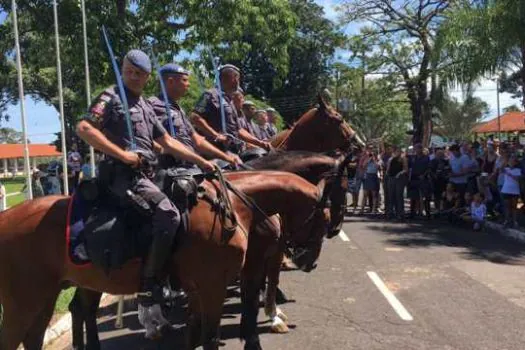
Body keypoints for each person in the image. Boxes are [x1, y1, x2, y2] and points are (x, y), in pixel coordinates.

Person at [76, 49, 215, 328]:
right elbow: (84, 128)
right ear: (123, 69)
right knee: (168, 214)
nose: (134, 77)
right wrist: (123, 154)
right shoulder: (110, 97)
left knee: (186, 199)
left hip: (147, 174)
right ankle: (149, 287)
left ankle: (172, 275)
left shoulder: (145, 105)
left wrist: (201, 160)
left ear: (147, 77)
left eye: (140, 74)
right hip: (121, 177)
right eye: (129, 71)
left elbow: (167, 141)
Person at [148, 63, 240, 168]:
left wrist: (227, 158)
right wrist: (202, 161)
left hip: (190, 166)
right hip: (171, 170)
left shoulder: (179, 109)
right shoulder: (153, 106)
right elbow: (163, 142)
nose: (188, 84)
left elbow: (198, 141)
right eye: (184, 80)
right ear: (170, 81)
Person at [192, 64, 271, 153]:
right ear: (231, 78)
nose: (238, 82)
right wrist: (215, 135)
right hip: (215, 150)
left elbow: (239, 130)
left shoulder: (230, 101)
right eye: (237, 78)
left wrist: (259, 143)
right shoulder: (210, 95)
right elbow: (195, 118)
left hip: (234, 150)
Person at [386, 146, 408, 220]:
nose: (397, 152)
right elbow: (388, 169)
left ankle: (400, 213)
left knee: (399, 195)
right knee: (391, 195)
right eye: (396, 151)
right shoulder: (391, 159)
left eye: (398, 151)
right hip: (391, 178)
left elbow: (406, 169)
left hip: (399, 179)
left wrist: (399, 174)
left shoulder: (403, 159)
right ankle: (390, 212)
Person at [501, 153, 521, 228]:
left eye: (513, 161)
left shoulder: (518, 170)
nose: (511, 162)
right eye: (510, 161)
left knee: (514, 206)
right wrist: (506, 161)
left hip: (515, 190)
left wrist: (510, 175)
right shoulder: (506, 169)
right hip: (506, 190)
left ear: (515, 163)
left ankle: (515, 221)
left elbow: (517, 179)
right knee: (507, 206)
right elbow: (500, 169)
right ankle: (507, 220)